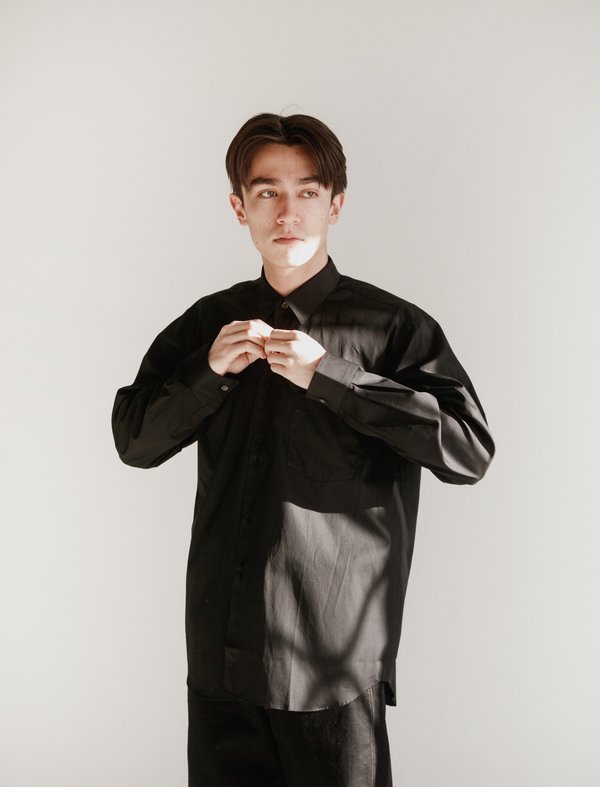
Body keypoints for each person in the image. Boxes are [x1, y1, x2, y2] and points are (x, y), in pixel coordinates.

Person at [112, 112, 495, 786]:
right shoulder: (208, 324)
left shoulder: (392, 327)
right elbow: (135, 442)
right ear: (239, 207)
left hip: (336, 665)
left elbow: (467, 450)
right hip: (222, 660)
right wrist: (208, 372)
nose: (287, 211)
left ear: (335, 204)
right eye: (267, 191)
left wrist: (334, 376)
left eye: (308, 191)